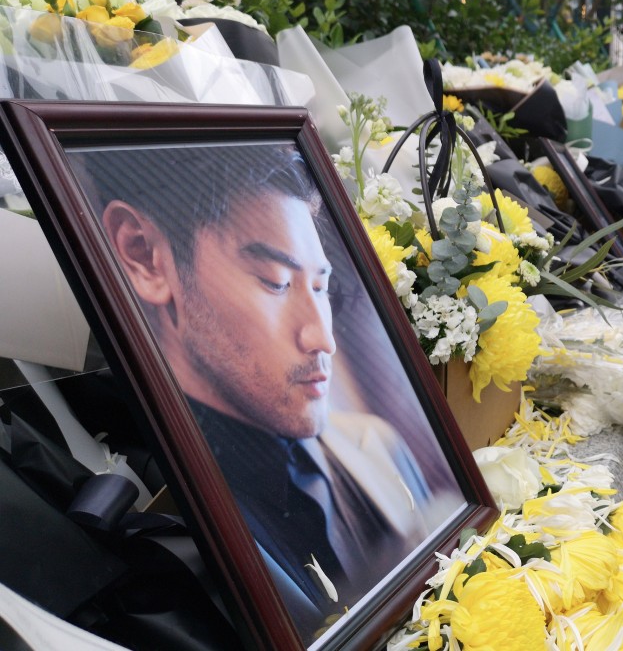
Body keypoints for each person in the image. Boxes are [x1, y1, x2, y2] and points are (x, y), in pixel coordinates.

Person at [79, 143, 459, 642]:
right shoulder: (181, 527)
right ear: (145, 256)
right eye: (276, 282)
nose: (322, 338)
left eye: (320, 288)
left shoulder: (376, 444)